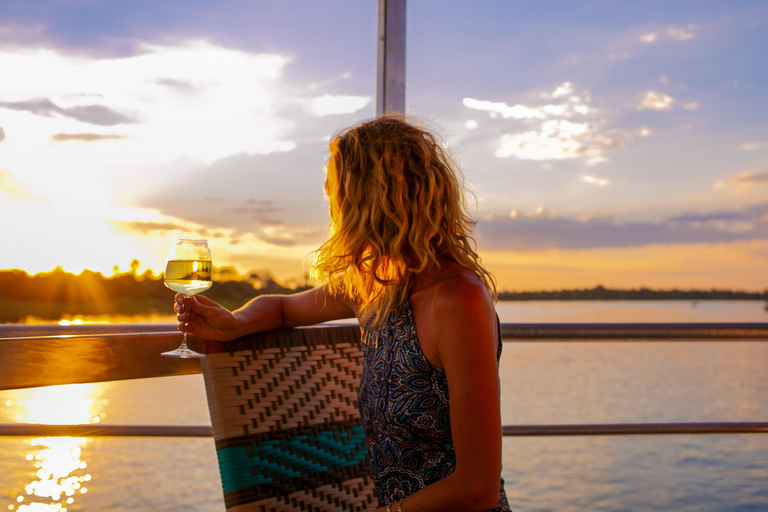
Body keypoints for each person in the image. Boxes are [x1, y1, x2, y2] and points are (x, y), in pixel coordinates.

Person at [174, 115, 512, 512]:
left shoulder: (457, 301)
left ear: (368, 199)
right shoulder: (376, 286)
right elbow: (283, 308)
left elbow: (477, 489)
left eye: (335, 193)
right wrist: (235, 323)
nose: (332, 208)